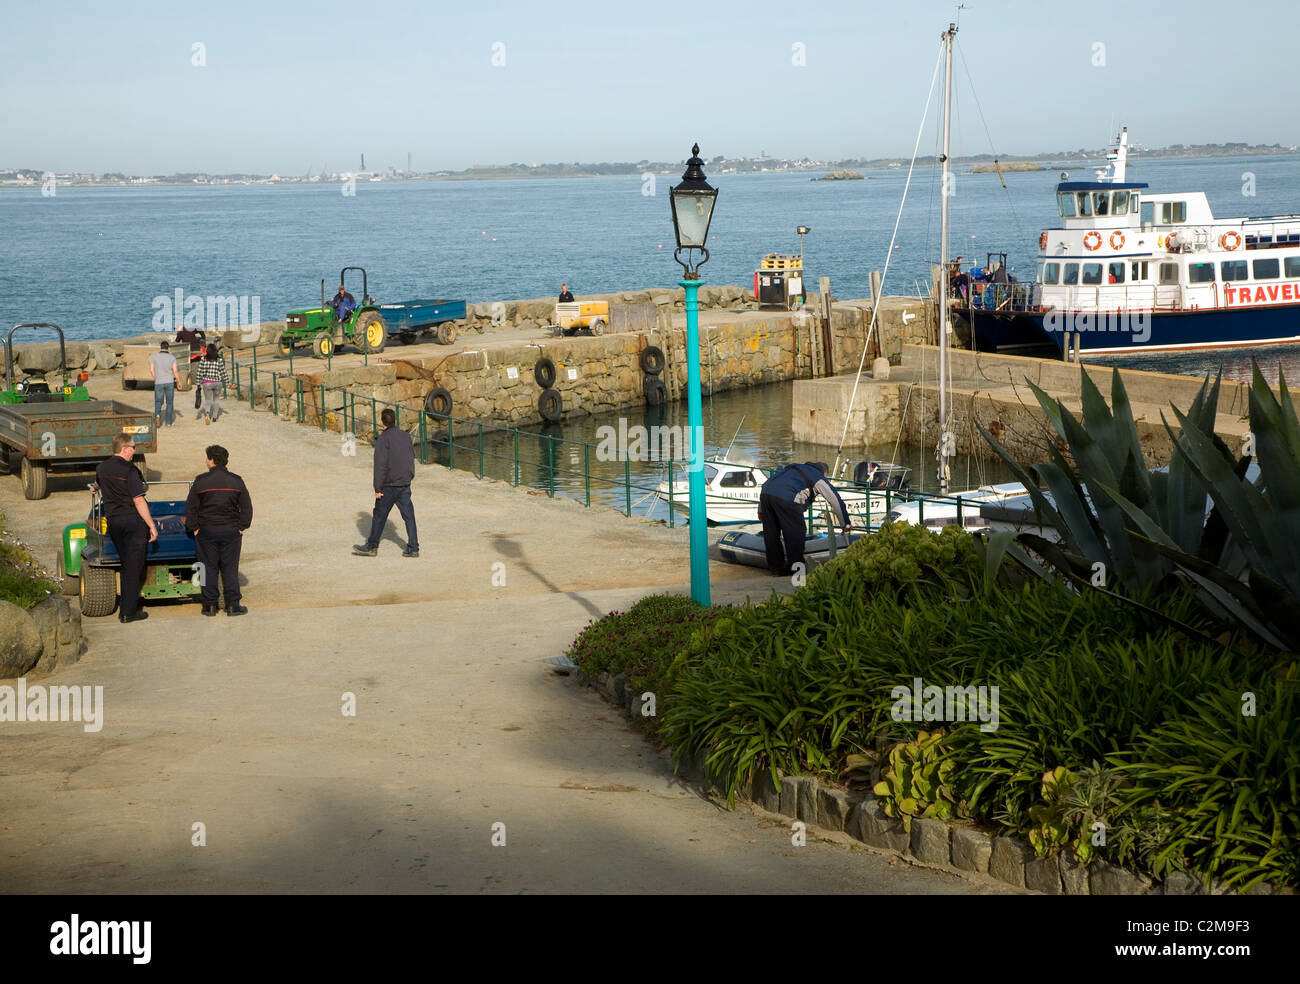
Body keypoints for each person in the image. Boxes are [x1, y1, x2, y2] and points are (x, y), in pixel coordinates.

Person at [94, 434, 158, 623]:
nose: (134, 451)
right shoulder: (130, 470)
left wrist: (94, 488)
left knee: (125, 563)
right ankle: (128, 612)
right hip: (132, 521)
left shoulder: (102, 467)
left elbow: (97, 484)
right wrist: (151, 525)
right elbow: (138, 500)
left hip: (113, 521)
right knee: (133, 567)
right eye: (133, 447)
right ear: (124, 449)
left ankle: (126, 607)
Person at [185, 444, 253, 616]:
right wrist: (241, 527)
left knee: (208, 568)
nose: (206, 461)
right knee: (230, 567)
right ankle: (233, 605)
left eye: (207, 458)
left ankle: (210, 606)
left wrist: (194, 528)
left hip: (206, 531)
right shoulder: (237, 480)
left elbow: (191, 508)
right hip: (231, 531)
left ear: (212, 460)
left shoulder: (200, 481)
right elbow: (246, 507)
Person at [758, 461, 850, 577]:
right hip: (787, 498)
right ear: (825, 474)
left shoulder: (793, 467)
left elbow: (769, 483)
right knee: (796, 533)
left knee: (771, 535)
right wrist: (845, 523)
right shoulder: (817, 476)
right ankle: (797, 571)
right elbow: (835, 500)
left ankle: (776, 569)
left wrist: (760, 510)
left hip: (765, 495)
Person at [353, 408, 419, 558]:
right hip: (404, 483)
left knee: (379, 515)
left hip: (389, 485)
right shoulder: (405, 435)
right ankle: (413, 548)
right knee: (409, 516)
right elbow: (411, 456)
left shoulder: (383, 439)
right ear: (395, 421)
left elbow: (380, 465)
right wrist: (409, 476)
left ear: (382, 422)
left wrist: (377, 488)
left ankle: (371, 546)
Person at [148, 340, 182, 427]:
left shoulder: (154, 357)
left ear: (160, 348)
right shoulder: (172, 357)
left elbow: (151, 370)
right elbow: (175, 371)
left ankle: (158, 416)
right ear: (168, 348)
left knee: (158, 401)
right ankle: (169, 422)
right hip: (169, 382)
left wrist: (156, 378)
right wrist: (178, 381)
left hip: (159, 382)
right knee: (169, 402)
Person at [194, 343, 229, 423]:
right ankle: (214, 417)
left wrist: (198, 382)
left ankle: (207, 413)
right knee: (216, 400)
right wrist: (227, 382)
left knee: (208, 400)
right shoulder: (219, 360)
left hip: (207, 382)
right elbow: (223, 371)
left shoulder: (203, 359)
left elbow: (199, 371)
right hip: (217, 382)